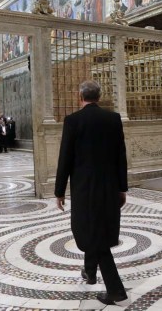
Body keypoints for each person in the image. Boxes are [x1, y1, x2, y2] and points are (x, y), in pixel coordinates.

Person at [55, 80, 128, 306]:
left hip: (84, 189)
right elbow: (120, 157)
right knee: (97, 229)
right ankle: (89, 272)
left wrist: (59, 191)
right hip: (108, 187)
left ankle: (115, 289)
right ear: (100, 96)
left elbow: (65, 158)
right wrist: (122, 188)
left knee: (93, 235)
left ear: (80, 96)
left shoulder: (73, 121)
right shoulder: (113, 119)